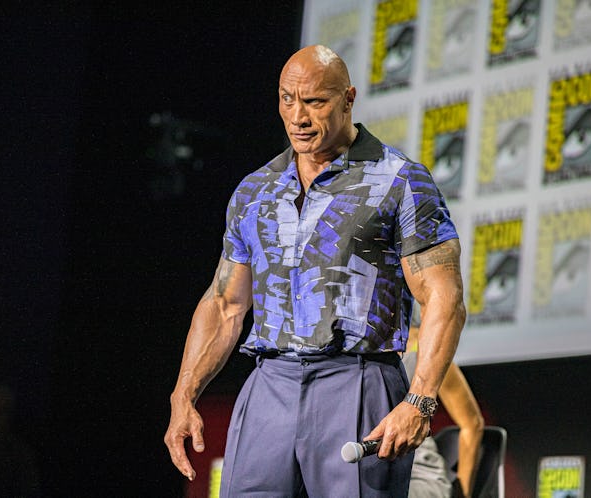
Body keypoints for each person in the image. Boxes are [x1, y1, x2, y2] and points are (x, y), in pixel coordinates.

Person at [164, 44, 466, 497]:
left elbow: (444, 297)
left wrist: (420, 400)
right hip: (271, 385)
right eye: (288, 99)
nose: (298, 116)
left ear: (349, 98)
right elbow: (225, 302)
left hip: (358, 382)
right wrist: (183, 394)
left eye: (315, 102)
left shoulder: (400, 180)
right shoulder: (255, 191)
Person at [404, 307, 484, 498]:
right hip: (378, 475)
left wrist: (462, 495)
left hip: (420, 479)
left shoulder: (426, 355)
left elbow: (472, 425)